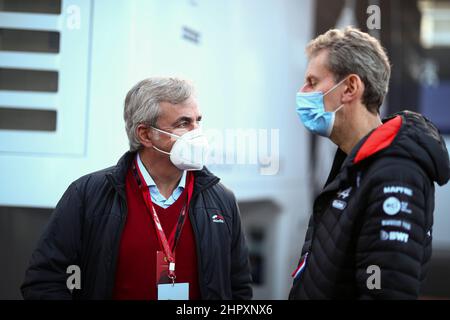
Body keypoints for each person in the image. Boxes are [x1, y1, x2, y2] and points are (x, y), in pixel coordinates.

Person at [21, 77, 252, 300]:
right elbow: (43, 280)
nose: (197, 133)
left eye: (198, 121)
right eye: (183, 123)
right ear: (145, 134)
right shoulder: (87, 194)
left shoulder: (221, 199)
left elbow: (238, 288)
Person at [290, 27, 450, 299]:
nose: (303, 91)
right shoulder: (352, 160)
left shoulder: (396, 174)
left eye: (312, 81)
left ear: (350, 88)